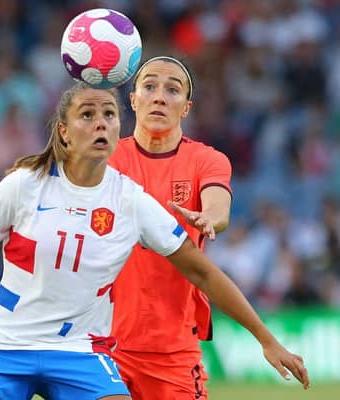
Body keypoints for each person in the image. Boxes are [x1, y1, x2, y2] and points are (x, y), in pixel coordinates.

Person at [0, 82, 309, 400]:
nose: (101, 123)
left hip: (79, 350)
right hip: (4, 344)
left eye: (109, 115)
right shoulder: (23, 186)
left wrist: (266, 338)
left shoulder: (130, 201)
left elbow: (203, 271)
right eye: (88, 115)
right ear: (64, 131)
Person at [108, 56, 234, 399]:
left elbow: (218, 207)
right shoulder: (104, 161)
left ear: (186, 108)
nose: (160, 96)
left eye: (172, 90)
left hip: (174, 350)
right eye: (149, 86)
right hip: (102, 347)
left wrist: (210, 218)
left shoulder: (206, 160)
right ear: (133, 100)